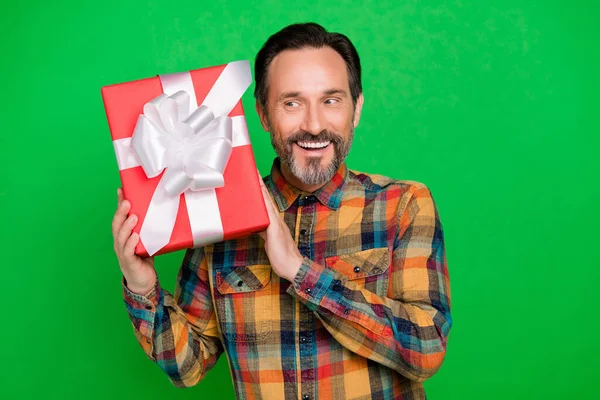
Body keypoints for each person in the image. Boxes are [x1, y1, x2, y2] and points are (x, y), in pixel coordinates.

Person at [112, 22, 452, 400]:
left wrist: (299, 271)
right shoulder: (220, 214)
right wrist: (142, 288)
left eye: (331, 100)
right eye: (292, 103)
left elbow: (427, 350)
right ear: (262, 113)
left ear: (356, 109)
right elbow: (188, 367)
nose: (313, 125)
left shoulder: (402, 206)